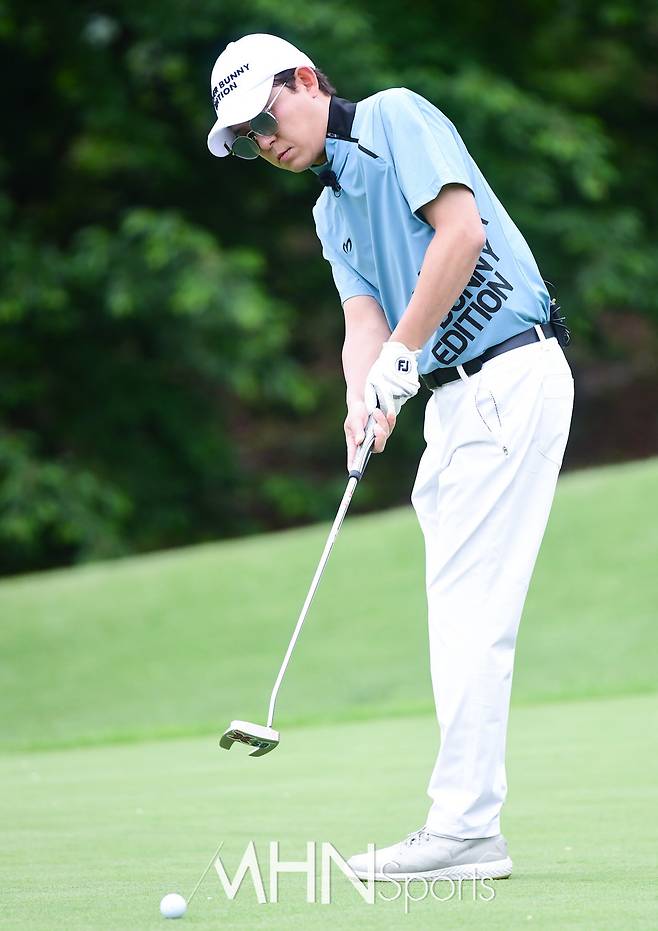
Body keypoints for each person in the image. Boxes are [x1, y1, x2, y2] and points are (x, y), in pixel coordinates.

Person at [207, 33, 574, 882]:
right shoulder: (328, 211)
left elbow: (461, 234)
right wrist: (361, 395)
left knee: (472, 612)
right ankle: (465, 824)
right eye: (248, 139)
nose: (266, 141)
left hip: (506, 371)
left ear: (306, 80)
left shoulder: (393, 117)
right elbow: (362, 323)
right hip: (451, 401)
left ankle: (465, 829)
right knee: (456, 610)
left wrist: (402, 354)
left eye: (266, 118)